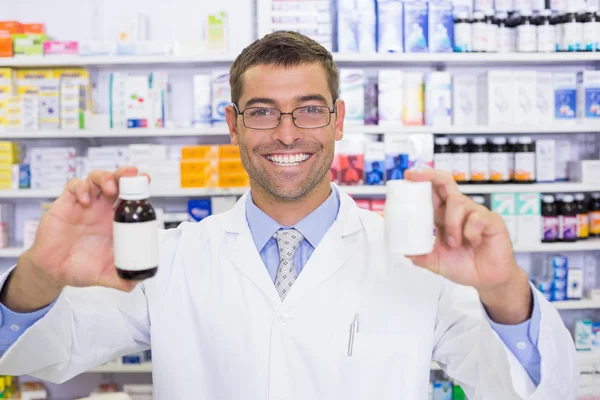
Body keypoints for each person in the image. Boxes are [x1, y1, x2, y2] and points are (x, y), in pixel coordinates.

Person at [0, 31, 578, 399]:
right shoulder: (174, 256)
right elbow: (45, 353)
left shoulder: (415, 260)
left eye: (308, 110)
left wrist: (504, 290)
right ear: (232, 125)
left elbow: (524, 390)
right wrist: (41, 273)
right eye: (261, 112)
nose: (285, 133)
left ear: (338, 120)